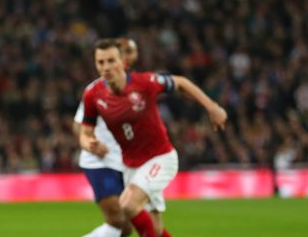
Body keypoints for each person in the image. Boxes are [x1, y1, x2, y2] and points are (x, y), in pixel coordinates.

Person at [79, 38, 227, 237]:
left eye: (111, 61)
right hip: (131, 165)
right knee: (155, 230)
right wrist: (89, 144)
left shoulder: (144, 83)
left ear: (122, 61)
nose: (106, 67)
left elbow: (181, 83)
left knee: (128, 204)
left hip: (160, 157)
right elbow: (85, 132)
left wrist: (212, 107)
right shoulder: (93, 95)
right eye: (101, 62)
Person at [73, 38, 138, 237]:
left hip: (124, 163)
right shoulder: (94, 91)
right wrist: (90, 143)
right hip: (99, 162)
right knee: (117, 219)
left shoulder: (138, 88)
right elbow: (79, 125)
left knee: (125, 228)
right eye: (101, 62)